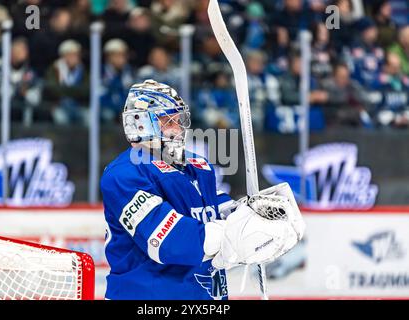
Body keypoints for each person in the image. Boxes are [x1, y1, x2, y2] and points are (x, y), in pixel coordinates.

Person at [100, 79, 305, 300]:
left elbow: (217, 208)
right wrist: (235, 234)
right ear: (140, 124)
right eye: (168, 121)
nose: (178, 129)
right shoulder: (124, 175)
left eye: (179, 120)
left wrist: (256, 215)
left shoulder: (197, 165)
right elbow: (170, 242)